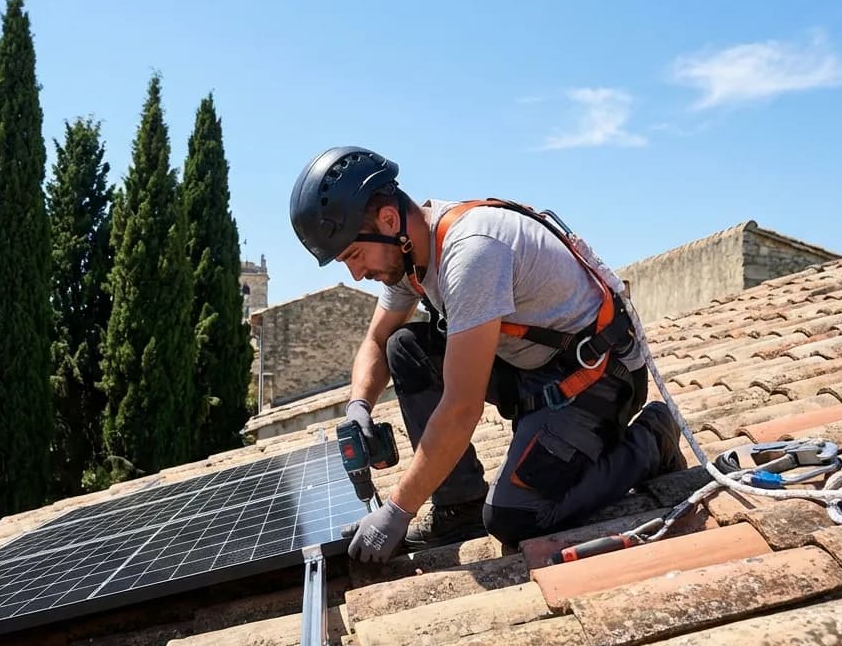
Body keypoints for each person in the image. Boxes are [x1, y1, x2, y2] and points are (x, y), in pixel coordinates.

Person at [288, 146, 686, 562]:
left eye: (354, 255)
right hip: (532, 370)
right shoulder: (407, 256)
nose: (356, 274)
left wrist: (397, 511)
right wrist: (359, 405)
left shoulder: (472, 252)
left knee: (516, 518)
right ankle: (459, 506)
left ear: (389, 220)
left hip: (597, 380)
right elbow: (376, 342)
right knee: (404, 347)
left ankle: (650, 442)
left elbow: (462, 408)